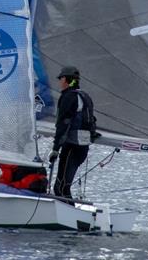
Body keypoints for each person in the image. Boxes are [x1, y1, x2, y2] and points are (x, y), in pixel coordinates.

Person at [49, 66, 96, 198]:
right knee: (64, 186)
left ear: (65, 79)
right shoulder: (85, 96)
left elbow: (63, 124)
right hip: (82, 148)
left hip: (71, 146)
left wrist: (55, 149)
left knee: (60, 187)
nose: (59, 82)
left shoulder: (68, 97)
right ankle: (69, 213)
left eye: (60, 79)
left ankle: (67, 216)